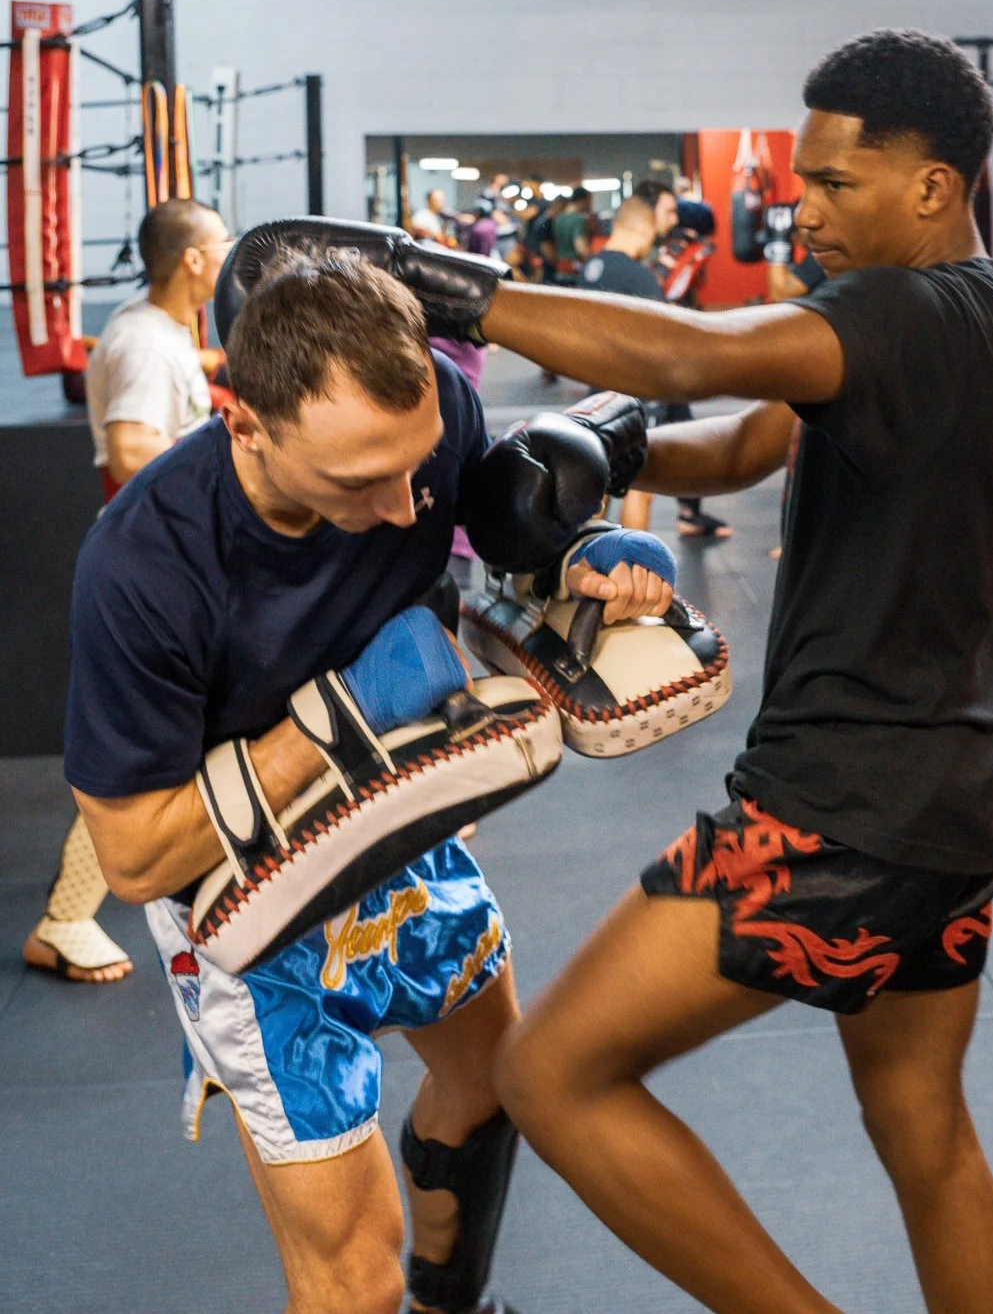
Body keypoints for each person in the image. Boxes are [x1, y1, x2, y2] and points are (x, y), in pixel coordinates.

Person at [465, 28, 993, 1314]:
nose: (806, 203)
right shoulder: (983, 319)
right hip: (957, 795)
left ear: (935, 185)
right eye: (804, 177)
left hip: (841, 803)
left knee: (549, 1071)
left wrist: (445, 289)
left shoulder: (894, 309)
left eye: (839, 181)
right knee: (927, 1131)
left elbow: (684, 353)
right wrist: (617, 458)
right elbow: (737, 442)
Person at [62, 249, 672, 1314]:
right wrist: (337, 716)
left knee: (499, 1083)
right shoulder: (143, 568)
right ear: (245, 421)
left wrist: (577, 565)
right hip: (245, 903)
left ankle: (456, 1304)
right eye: (357, 479)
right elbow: (133, 852)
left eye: (417, 463)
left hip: (399, 825)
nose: (404, 507)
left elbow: (491, 542)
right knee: (350, 1274)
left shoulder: (436, 420)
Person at [22, 197, 233, 986]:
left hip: (169, 556)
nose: (229, 250)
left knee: (174, 737)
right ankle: (65, 920)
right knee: (141, 748)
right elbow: (132, 443)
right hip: (158, 566)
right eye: (222, 242)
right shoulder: (144, 340)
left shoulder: (158, 332)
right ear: (193, 260)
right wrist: (226, 475)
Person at [582, 193, 733, 543]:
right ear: (644, 228)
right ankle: (633, 569)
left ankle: (588, 563)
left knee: (600, 484)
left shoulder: (592, 268)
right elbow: (661, 339)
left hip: (598, 390)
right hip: (637, 393)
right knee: (639, 486)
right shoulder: (638, 275)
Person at [551, 186, 592, 283]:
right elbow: (581, 248)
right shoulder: (578, 219)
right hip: (573, 273)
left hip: (560, 271)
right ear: (583, 200)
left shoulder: (558, 219)